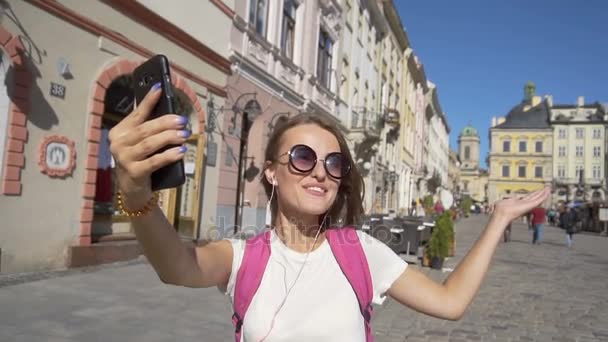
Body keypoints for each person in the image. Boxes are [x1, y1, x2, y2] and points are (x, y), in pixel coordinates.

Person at [108, 86, 551, 341]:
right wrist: (132, 188)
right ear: (272, 173)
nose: (320, 171)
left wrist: (496, 220)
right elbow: (176, 266)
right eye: (303, 157)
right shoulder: (245, 257)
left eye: (334, 163)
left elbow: (451, 303)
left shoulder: (361, 252)